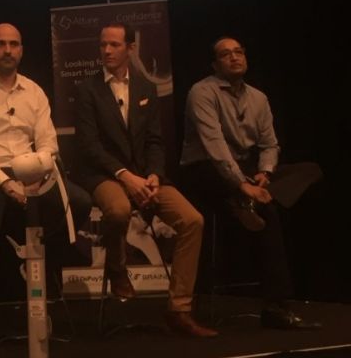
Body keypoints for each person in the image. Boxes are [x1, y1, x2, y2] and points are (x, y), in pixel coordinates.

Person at [72, 23, 218, 338]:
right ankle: (117, 269)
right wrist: (126, 177)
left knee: (192, 220)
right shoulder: (87, 90)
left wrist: (152, 175)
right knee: (119, 210)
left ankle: (179, 309)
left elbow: (154, 141)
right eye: (102, 45)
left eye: (114, 45)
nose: (107, 51)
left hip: (144, 174)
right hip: (104, 175)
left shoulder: (145, 88)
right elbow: (89, 147)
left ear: (130, 48)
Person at [0, 23, 91, 353]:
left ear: (21, 50)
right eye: (0, 44)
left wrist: (37, 170)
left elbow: (48, 142)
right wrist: (5, 183)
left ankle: (36, 264)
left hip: (31, 170)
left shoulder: (34, 91)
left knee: (80, 202)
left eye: (14, 44)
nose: (7, 50)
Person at [180, 36, 323, 329]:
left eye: (239, 52)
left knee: (309, 169)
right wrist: (242, 185)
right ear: (214, 64)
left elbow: (269, 144)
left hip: (246, 170)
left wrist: (265, 174)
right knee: (268, 213)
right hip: (205, 168)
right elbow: (215, 147)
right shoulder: (202, 92)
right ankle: (276, 307)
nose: (234, 57)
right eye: (226, 54)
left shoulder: (259, 98)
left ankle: (248, 200)